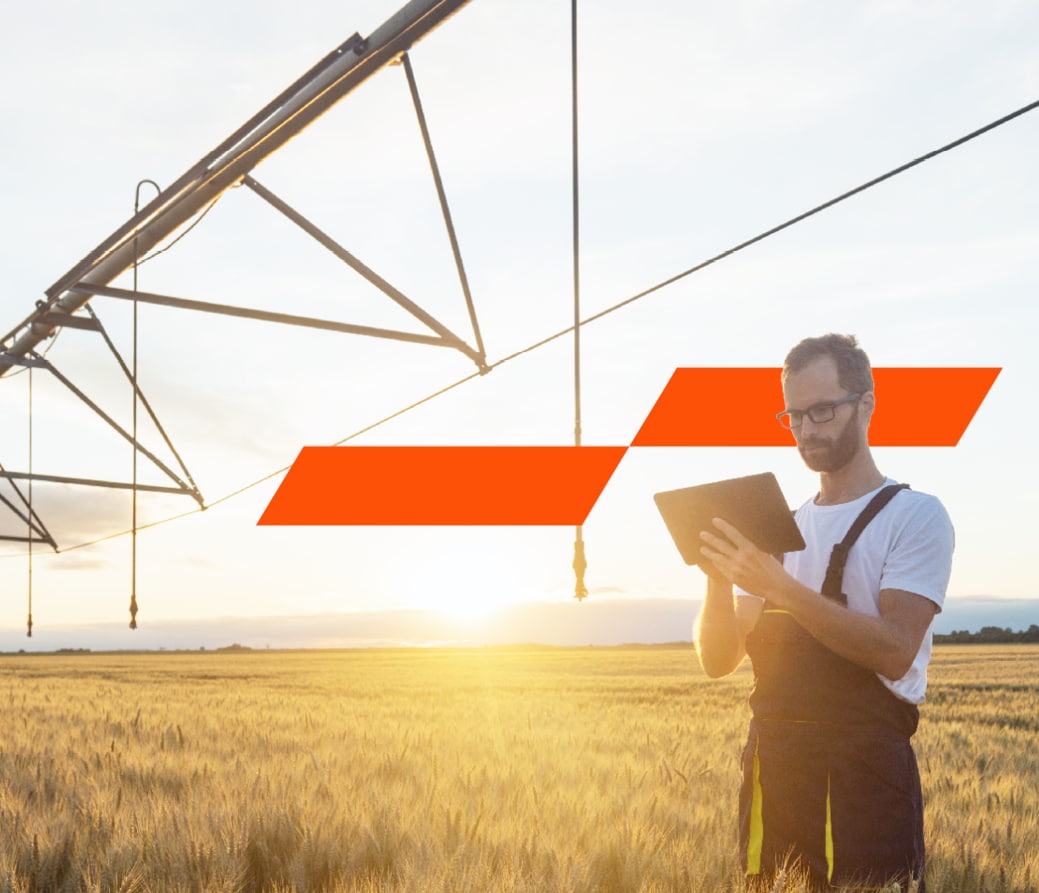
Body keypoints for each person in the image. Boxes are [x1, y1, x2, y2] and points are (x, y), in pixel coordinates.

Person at [695, 333, 953, 892]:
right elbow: (719, 660)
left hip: (862, 779)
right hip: (773, 772)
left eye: (822, 411)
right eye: (794, 416)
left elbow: (893, 648)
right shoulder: (777, 526)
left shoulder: (915, 517)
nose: (807, 430)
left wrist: (780, 588)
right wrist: (717, 577)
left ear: (866, 403)